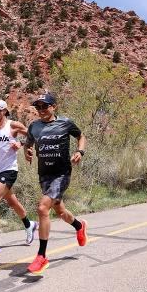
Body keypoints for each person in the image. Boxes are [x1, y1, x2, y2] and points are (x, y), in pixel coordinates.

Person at [24, 92, 88, 274]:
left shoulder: (65, 123)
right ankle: (79, 226)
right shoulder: (34, 127)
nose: (41, 110)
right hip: (44, 175)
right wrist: (27, 152)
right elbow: (28, 144)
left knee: (43, 208)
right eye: (38, 107)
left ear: (54, 107)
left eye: (45, 106)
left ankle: (42, 256)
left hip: (62, 174)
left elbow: (81, 136)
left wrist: (80, 151)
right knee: (59, 211)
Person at [0, 99, 38, 256]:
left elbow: (33, 136)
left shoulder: (13, 125)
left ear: (5, 111)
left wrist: (22, 144)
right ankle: (29, 224)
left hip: (10, 170)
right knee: (12, 202)